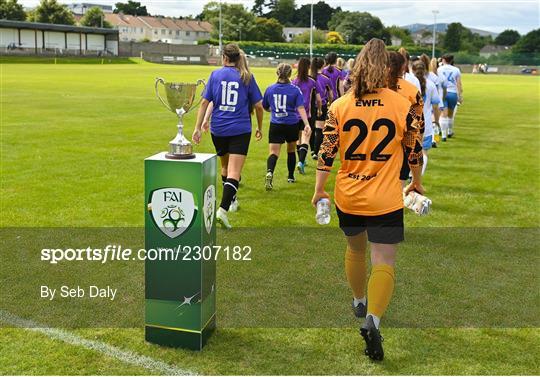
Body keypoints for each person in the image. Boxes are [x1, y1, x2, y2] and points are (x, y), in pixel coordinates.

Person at [313, 38, 424, 361]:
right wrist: (416, 183)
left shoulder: (340, 105)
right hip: (386, 196)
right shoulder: (401, 103)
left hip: (349, 194)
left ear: (358, 67)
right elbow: (413, 150)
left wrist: (319, 189)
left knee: (354, 250)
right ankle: (372, 320)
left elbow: (327, 151)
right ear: (389, 69)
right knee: (384, 261)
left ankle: (359, 300)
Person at [192, 43, 264, 229]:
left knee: (224, 167)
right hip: (240, 129)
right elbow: (258, 105)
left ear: (224, 58)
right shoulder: (246, 76)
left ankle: (232, 201)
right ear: (237, 58)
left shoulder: (215, 75)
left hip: (219, 129)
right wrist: (260, 127)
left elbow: (204, 103)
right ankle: (223, 210)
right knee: (234, 172)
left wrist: (198, 127)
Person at [262, 63, 310, 189]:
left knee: (273, 152)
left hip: (276, 124)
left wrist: (275, 111)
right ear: (290, 74)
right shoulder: (295, 90)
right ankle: (290, 176)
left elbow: (265, 107)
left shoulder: (270, 89)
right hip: (291, 124)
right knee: (291, 150)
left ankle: (269, 172)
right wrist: (306, 124)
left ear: (277, 73)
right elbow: (300, 107)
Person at [388, 51, 425, 188]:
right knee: (398, 189)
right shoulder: (411, 90)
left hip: (374, 144)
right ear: (403, 67)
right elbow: (419, 126)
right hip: (403, 145)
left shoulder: (374, 88)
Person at [292, 57, 322, 175]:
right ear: (309, 67)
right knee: (306, 137)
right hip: (307, 114)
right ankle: (301, 162)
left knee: (298, 139)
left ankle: (301, 161)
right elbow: (319, 99)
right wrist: (319, 110)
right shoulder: (312, 81)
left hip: (295, 114)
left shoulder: (294, 81)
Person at [412, 60, 440, 175]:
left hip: (411, 122)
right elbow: (436, 105)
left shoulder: (409, 84)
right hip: (426, 123)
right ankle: (418, 177)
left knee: (409, 150)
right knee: (423, 151)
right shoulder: (431, 85)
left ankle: (410, 174)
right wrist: (437, 121)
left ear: (413, 70)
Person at [310, 57, 333, 159]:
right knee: (319, 130)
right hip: (321, 105)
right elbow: (330, 94)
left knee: (310, 128)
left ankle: (310, 149)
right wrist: (331, 103)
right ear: (323, 65)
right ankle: (315, 151)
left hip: (309, 106)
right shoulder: (326, 79)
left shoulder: (309, 77)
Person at [437, 54, 463, 139]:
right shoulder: (456, 70)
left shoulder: (439, 69)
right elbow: (458, 84)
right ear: (452, 60)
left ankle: (443, 135)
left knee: (443, 114)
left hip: (443, 93)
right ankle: (450, 131)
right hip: (453, 92)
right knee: (450, 114)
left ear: (443, 60)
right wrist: (460, 95)